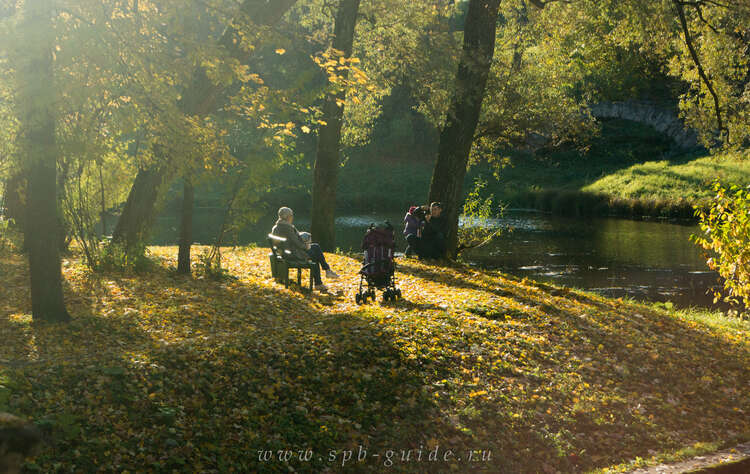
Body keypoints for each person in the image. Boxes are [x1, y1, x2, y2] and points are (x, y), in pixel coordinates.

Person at [271, 207, 338, 291]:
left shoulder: (277, 226)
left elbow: (292, 239)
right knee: (315, 255)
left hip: (286, 252)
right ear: (287, 217)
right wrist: (306, 246)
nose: (292, 217)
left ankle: (326, 272)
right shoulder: (287, 228)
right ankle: (321, 280)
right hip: (292, 254)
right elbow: (297, 243)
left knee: (315, 247)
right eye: (291, 215)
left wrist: (302, 239)